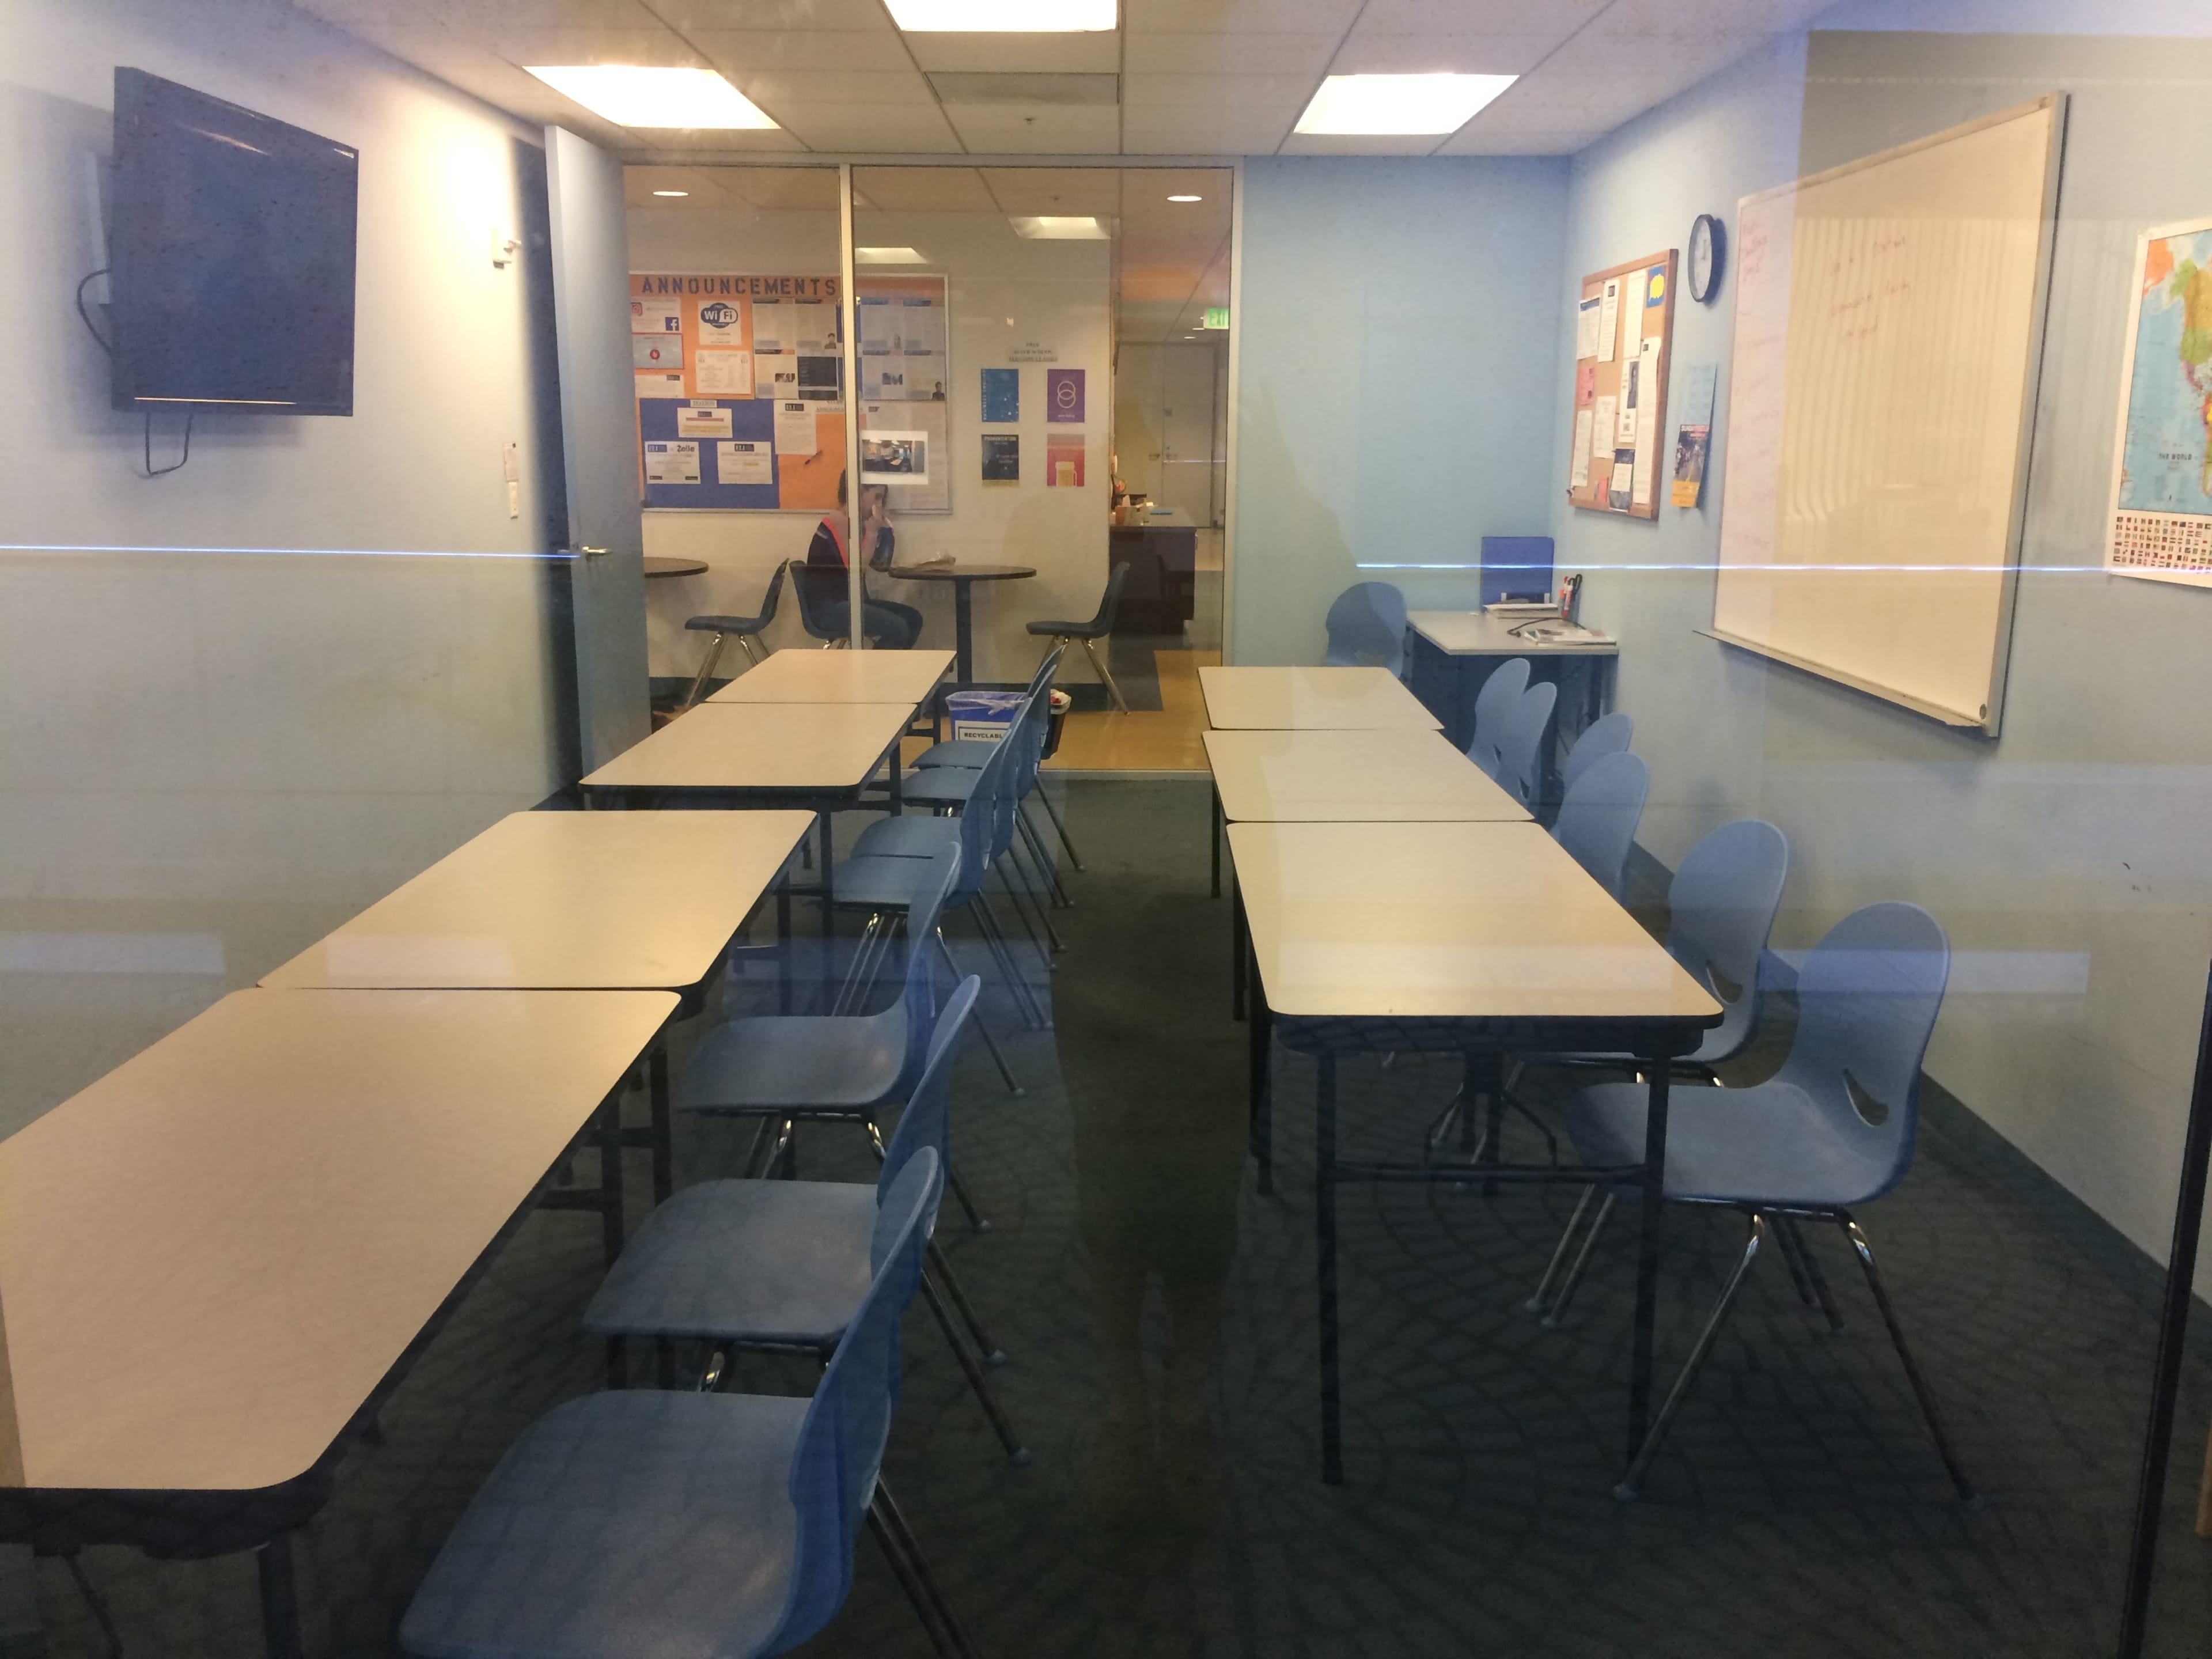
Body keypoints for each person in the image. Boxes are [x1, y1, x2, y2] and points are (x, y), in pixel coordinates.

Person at [801, 472, 923, 649]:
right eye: (877, 498)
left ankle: (885, 670)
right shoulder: (838, 521)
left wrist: (886, 531)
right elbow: (857, 570)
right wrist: (873, 533)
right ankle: (876, 673)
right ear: (857, 493)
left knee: (913, 619)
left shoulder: (857, 523)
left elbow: (881, 565)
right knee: (898, 628)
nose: (880, 504)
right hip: (829, 608)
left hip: (849, 601)